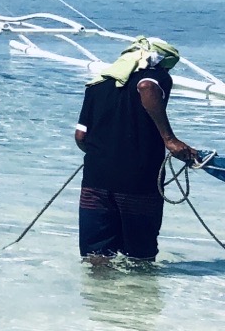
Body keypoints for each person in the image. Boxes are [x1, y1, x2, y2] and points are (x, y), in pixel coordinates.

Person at [75, 37, 200, 262]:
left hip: (95, 180)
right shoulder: (157, 76)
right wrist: (169, 139)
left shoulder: (97, 84)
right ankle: (139, 296)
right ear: (158, 62)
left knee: (96, 256)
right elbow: (147, 86)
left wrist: (103, 155)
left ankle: (98, 296)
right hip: (138, 181)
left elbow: (81, 136)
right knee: (139, 257)